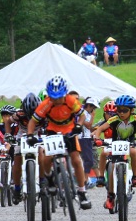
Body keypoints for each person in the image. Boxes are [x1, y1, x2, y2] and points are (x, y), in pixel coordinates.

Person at [27, 75, 92, 209]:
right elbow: (33, 121)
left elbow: (83, 115)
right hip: (52, 131)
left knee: (76, 159)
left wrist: (79, 125)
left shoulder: (71, 100)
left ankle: (82, 191)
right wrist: (29, 135)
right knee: (47, 158)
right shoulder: (46, 103)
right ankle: (49, 178)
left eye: (59, 97)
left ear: (65, 94)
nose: (56, 100)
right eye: (53, 97)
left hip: (69, 130)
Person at [92, 94, 136, 210]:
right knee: (111, 164)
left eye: (124, 110)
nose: (121, 113)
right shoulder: (114, 119)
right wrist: (97, 139)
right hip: (116, 143)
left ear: (132, 110)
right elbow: (99, 129)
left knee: (133, 152)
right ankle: (109, 192)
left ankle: (134, 177)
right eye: (119, 110)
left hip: (130, 142)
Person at [78, 96, 99, 183]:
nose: (94, 110)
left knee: (87, 160)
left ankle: (85, 179)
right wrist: (93, 116)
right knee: (88, 160)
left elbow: (88, 128)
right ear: (89, 106)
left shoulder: (86, 113)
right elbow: (88, 125)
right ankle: (84, 179)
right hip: (83, 139)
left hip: (86, 137)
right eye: (93, 108)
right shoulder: (84, 113)